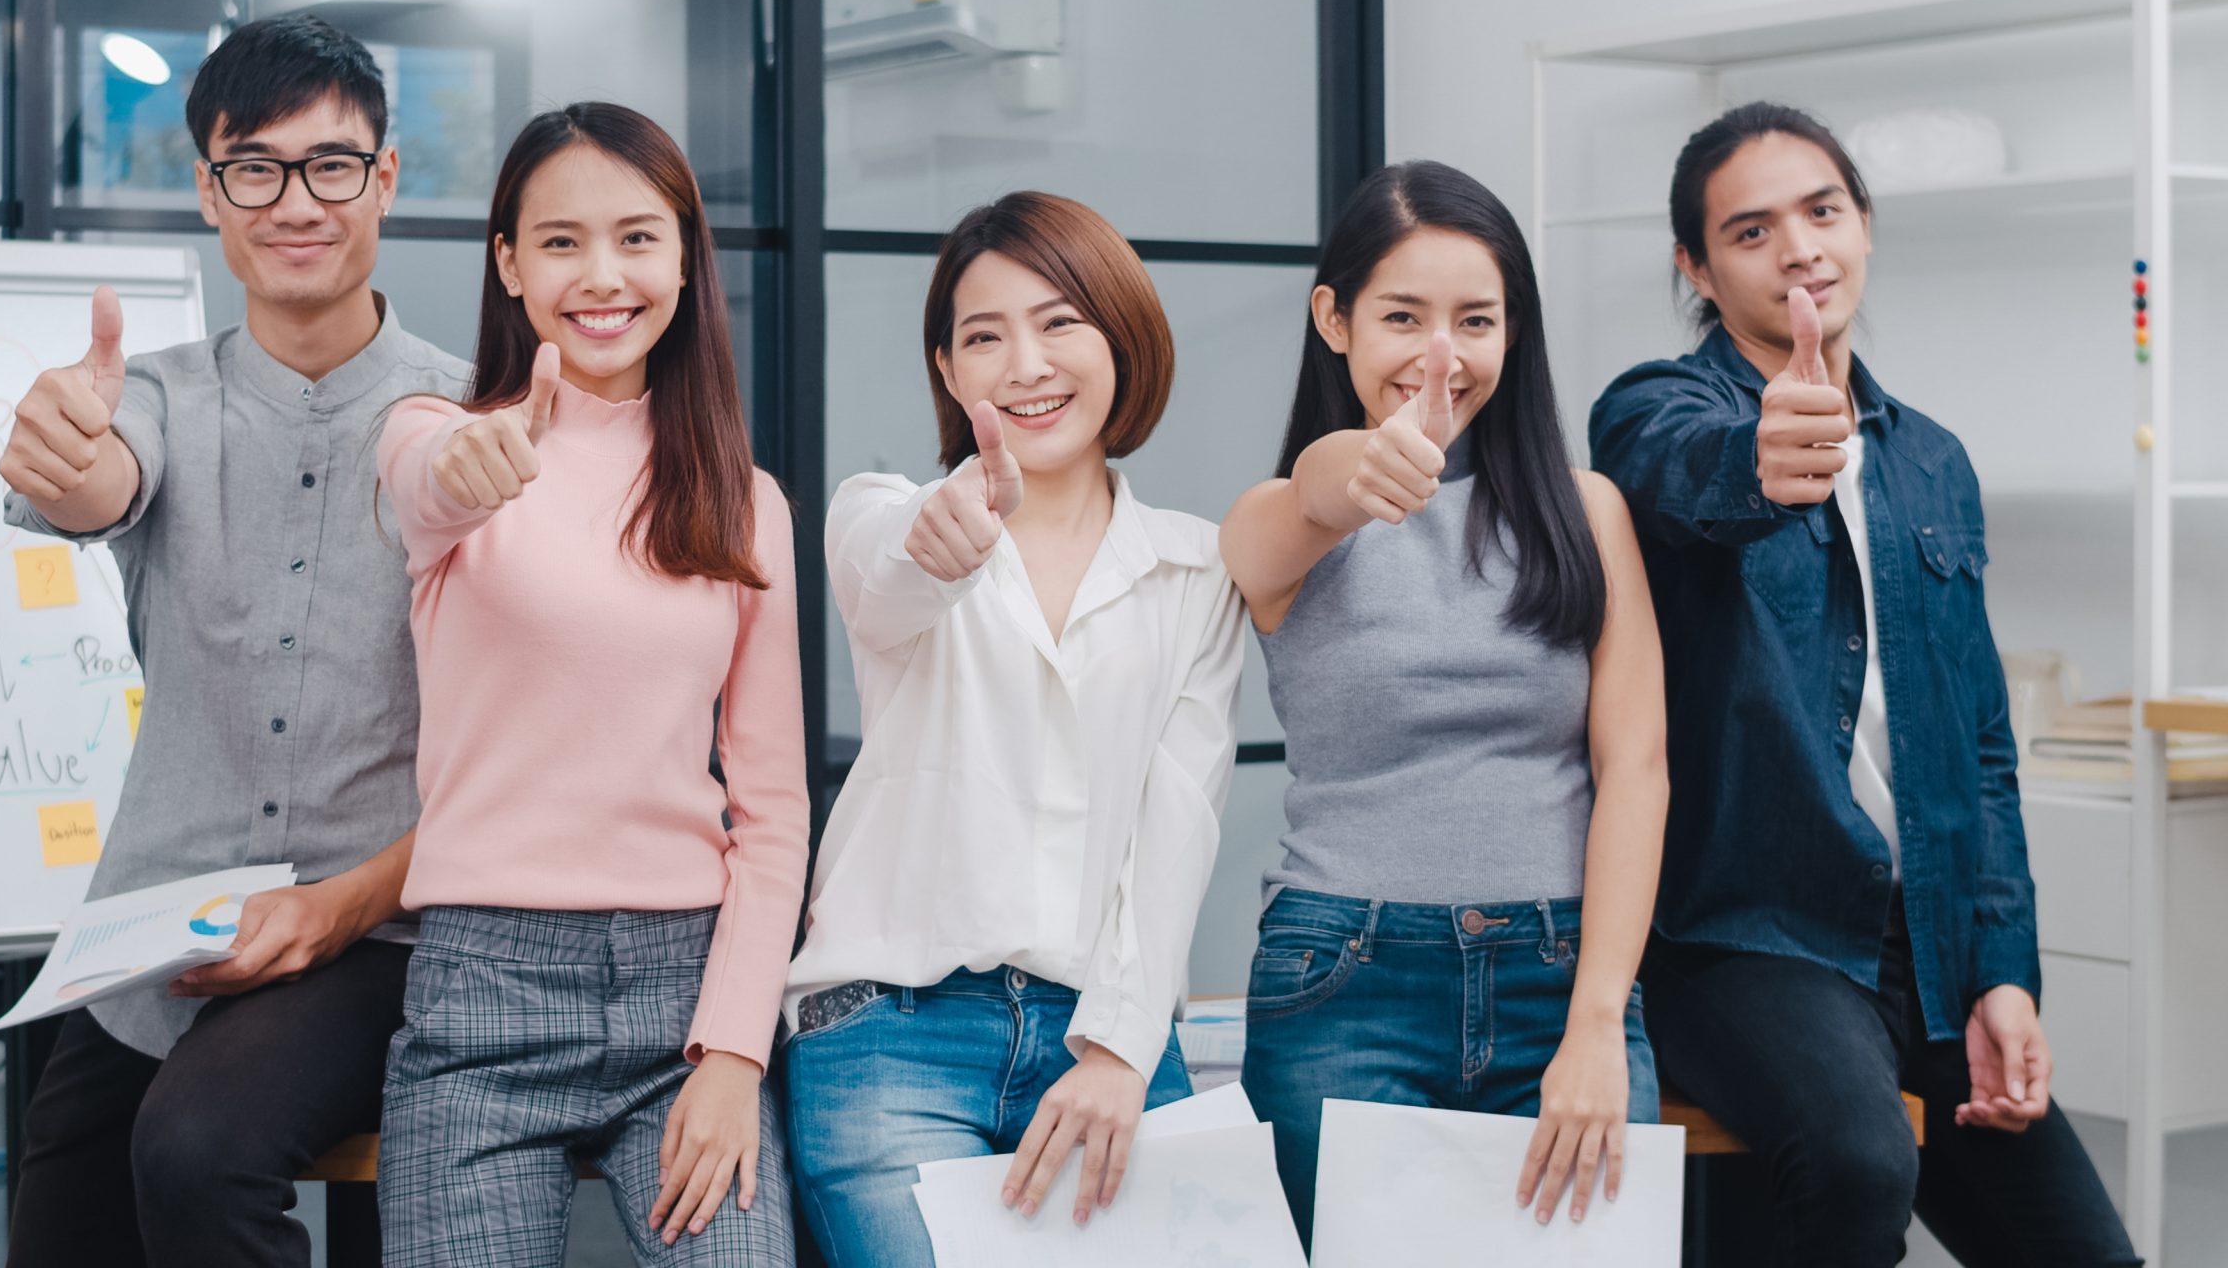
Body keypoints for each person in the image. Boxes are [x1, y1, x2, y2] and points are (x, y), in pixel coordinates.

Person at [1588, 101, 2139, 1267]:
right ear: (1693, 263)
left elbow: (1981, 747)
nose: (1797, 248)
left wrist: (2000, 973)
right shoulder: (1652, 411)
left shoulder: (1931, 459)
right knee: (1857, 1162)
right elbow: (1685, 474)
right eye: (1749, 230)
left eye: (1821, 210)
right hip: (1746, 940)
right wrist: (1762, 459)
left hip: (1927, 942)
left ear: (1865, 225)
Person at [0, 13, 468, 1267]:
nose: (294, 200)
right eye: (253, 167)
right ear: (210, 191)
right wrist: (68, 459)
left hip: (379, 929)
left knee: (200, 1154)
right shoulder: (149, 393)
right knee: (55, 1231)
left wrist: (338, 910)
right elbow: (98, 481)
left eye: (330, 164)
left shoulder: (474, 417)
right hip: (157, 931)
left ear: (386, 178)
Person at [373, 102, 808, 1267]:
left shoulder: (743, 500)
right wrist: (475, 465)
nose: (601, 275)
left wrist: (732, 1057)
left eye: (636, 237)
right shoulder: (433, 434)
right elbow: (429, 485)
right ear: (508, 264)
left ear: (681, 260)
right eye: (559, 241)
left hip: (685, 999)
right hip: (481, 998)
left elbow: (771, 813)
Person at [782, 191, 1244, 1266]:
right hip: (890, 1039)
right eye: (984, 337)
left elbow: (1178, 827)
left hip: (1108, 1036)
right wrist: (940, 537)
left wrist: (1123, 1052)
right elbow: (891, 579)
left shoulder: (1194, 567)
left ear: (1120, 336)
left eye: (1059, 322)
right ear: (949, 373)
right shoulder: (880, 508)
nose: (1026, 364)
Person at [1219, 161, 1671, 1246]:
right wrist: (1363, 466)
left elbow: (1637, 769)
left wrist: (1599, 1021)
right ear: (1333, 319)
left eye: (1475, 320)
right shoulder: (1279, 517)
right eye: (1401, 317)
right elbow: (1317, 489)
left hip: (1562, 979)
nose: (1441, 356)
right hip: (1343, 983)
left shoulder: (1587, 510)